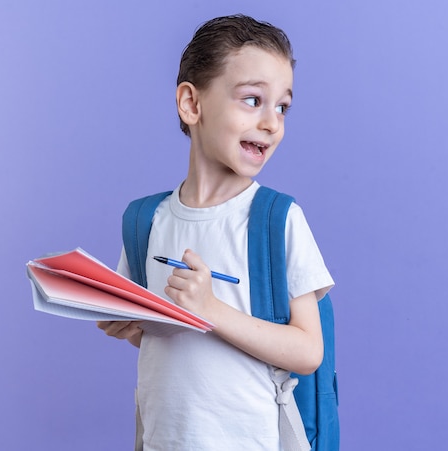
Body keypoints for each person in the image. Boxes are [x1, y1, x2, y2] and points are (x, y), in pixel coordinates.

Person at [98, 14, 334, 450]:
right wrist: (130, 325)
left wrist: (212, 310)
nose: (272, 122)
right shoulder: (146, 221)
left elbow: (307, 351)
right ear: (191, 104)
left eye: (282, 106)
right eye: (252, 100)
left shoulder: (276, 219)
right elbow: (172, 346)